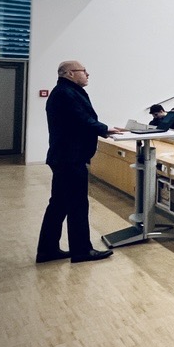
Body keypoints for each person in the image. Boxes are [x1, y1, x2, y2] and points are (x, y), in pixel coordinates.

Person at [37, 61, 124, 263]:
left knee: (59, 204)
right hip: (70, 158)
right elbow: (81, 119)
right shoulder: (66, 93)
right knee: (77, 204)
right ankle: (82, 250)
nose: (87, 74)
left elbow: (80, 119)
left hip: (65, 157)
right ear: (70, 73)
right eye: (83, 71)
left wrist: (102, 128)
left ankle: (48, 250)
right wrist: (104, 129)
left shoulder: (65, 91)